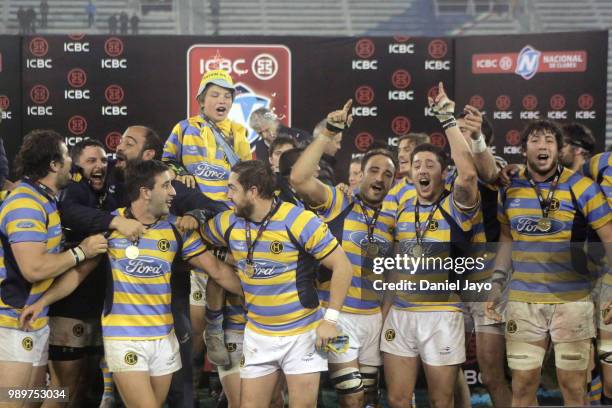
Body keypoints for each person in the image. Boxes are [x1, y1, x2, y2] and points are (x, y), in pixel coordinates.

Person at [20, 160, 244, 408]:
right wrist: (41, 302)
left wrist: (258, 296)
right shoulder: (112, 226)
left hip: (163, 339)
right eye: (167, 185)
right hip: (123, 337)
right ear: (146, 192)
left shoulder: (176, 229)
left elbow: (217, 271)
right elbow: (80, 273)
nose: (173, 192)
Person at [200, 160, 354, 408]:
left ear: (252, 191)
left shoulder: (299, 220)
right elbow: (194, 239)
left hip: (301, 333)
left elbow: (343, 266)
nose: (226, 195)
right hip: (258, 333)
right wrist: (193, 218)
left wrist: (331, 320)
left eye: (232, 188)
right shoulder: (228, 222)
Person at [486, 119, 612, 406]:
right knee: (522, 387)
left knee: (574, 388)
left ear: (558, 149)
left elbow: (609, 238)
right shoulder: (509, 187)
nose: (542, 146)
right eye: (535, 140)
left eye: (549, 141)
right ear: (523, 149)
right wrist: (496, 283)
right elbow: (506, 238)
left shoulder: (582, 187)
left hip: (573, 302)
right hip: (523, 302)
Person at [291, 100, 397, 408]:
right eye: (373, 170)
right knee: (351, 396)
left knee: (369, 398)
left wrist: (386, 314)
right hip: (338, 318)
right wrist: (328, 132)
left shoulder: (393, 215)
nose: (379, 178)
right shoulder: (338, 200)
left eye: (387, 174)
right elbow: (298, 179)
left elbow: (394, 272)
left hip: (374, 321)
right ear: (359, 174)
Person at [381, 83, 481, 408]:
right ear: (408, 172)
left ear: (443, 173)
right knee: (397, 400)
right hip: (402, 312)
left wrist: (447, 119)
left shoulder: (456, 203)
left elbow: (468, 174)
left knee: (442, 401)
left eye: (430, 165)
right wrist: (386, 309)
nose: (422, 169)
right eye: (416, 165)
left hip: (442, 313)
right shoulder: (399, 200)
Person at [0, 130, 107, 397]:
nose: (72, 163)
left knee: (35, 399)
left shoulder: (44, 200)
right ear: (54, 165)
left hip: (33, 317)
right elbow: (33, 268)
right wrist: (81, 252)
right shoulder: (26, 203)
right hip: (12, 321)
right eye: (66, 156)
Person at [45, 139, 116, 408]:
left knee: (85, 386)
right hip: (68, 305)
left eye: (102, 160)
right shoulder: (72, 192)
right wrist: (115, 221)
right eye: (91, 161)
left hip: (98, 306)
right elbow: (71, 213)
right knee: (62, 389)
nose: (100, 165)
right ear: (75, 166)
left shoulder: (111, 195)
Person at [163, 69, 252, 209]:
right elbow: (167, 161)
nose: (222, 100)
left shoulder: (238, 131)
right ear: (202, 101)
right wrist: (182, 172)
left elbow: (247, 173)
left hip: (228, 208)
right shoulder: (184, 127)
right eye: (215, 95)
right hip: (192, 206)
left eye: (227, 96)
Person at [312, 119, 342, 186]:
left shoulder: (326, 164)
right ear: (325, 141)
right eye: (337, 142)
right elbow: (327, 196)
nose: (339, 147)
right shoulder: (318, 167)